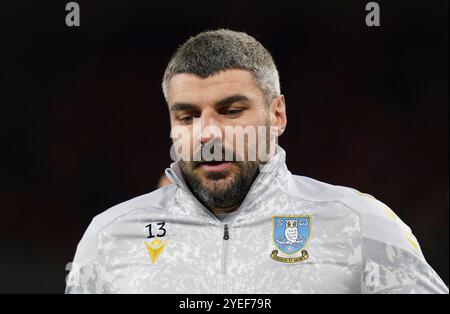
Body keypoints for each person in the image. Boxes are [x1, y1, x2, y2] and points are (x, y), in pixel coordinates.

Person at [66, 29, 448, 294]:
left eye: (231, 111)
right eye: (186, 116)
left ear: (277, 115)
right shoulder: (110, 237)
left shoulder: (361, 225)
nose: (207, 133)